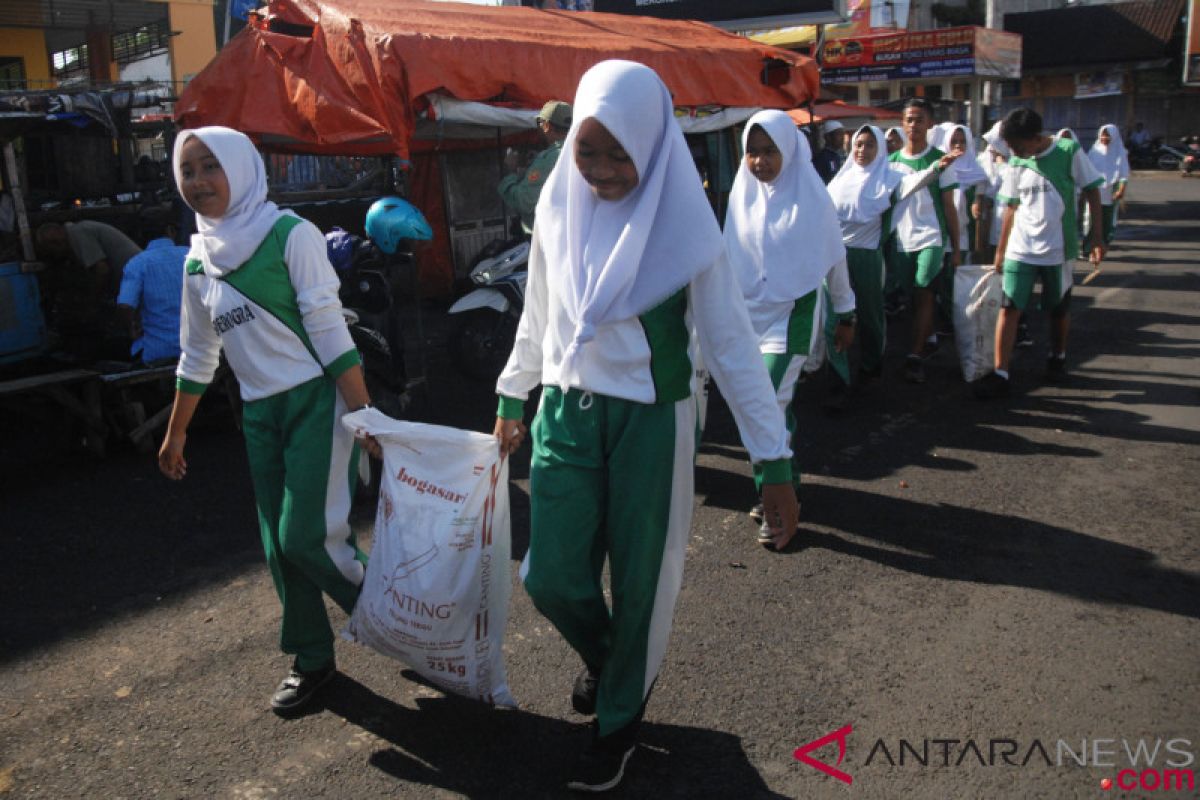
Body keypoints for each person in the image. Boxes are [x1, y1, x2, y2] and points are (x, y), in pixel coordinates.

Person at [492, 60, 798, 792]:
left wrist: (773, 461)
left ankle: (620, 719)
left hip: (654, 422)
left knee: (640, 584)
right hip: (566, 410)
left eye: (617, 151)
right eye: (587, 151)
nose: (600, 169)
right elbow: (538, 312)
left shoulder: (689, 231)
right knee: (551, 575)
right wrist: (513, 394)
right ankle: (614, 665)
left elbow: (729, 346)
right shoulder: (559, 209)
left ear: (653, 141)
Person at [158, 126, 378, 715]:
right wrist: (176, 430)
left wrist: (366, 416)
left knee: (305, 537)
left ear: (242, 168)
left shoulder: (291, 235)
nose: (199, 181)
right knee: (280, 549)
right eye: (189, 170)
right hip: (259, 414)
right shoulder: (197, 262)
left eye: (211, 166)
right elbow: (198, 355)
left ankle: (399, 620)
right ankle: (311, 659)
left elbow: (331, 331)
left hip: (317, 403)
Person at [725, 109, 855, 492]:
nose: (759, 162)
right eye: (752, 152)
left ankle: (773, 497)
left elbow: (834, 260)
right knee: (767, 406)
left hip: (791, 314)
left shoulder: (812, 200)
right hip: (747, 318)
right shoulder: (740, 198)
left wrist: (846, 313)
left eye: (769, 151)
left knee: (765, 403)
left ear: (788, 150)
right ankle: (787, 481)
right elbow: (727, 260)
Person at [972, 108, 1105, 399]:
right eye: (1010, 146)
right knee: (1009, 307)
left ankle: (1057, 358)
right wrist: (1001, 252)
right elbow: (1010, 207)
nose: (1014, 151)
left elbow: (1093, 190)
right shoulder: (1017, 161)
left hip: (1058, 251)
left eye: (1018, 146)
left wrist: (1096, 236)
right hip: (1021, 249)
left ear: (1036, 138)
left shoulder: (1068, 151)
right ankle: (1001, 372)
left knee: (1058, 309)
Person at [826, 125, 962, 391]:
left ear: (879, 150)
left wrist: (937, 168)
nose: (862, 150)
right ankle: (838, 377)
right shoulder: (840, 180)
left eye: (869, 145)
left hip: (867, 256)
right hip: (835, 256)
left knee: (869, 315)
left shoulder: (889, 179)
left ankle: (871, 365)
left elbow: (914, 182)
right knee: (833, 317)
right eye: (858, 144)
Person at [888, 97, 960, 384]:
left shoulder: (940, 160)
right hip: (901, 240)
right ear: (902, 124)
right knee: (910, 295)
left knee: (924, 291)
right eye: (909, 119)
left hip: (931, 237)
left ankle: (914, 356)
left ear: (930, 124)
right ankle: (926, 337)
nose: (914, 125)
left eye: (920, 119)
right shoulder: (891, 163)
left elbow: (949, 206)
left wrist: (954, 246)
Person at [116, 211, 189, 365]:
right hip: (199, 348)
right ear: (170, 231)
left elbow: (125, 306)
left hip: (158, 352)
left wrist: (132, 329)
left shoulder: (137, 264)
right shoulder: (192, 255)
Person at [498, 99, 572, 234]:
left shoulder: (551, 157)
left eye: (540, 124)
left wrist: (510, 171)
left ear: (546, 126)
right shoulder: (582, 151)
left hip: (551, 237)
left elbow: (524, 201)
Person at [35, 219, 142, 299]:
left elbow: (102, 270)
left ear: (55, 241)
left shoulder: (79, 233)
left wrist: (92, 298)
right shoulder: (79, 231)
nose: (55, 253)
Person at [1087, 124, 1129, 246]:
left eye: (1107, 135)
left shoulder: (1120, 153)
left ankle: (1103, 243)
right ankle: (1089, 246)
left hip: (1111, 193)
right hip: (1094, 191)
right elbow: (1087, 171)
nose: (1104, 138)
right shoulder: (1094, 151)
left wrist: (1121, 190)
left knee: (1107, 220)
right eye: (1103, 135)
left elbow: (1124, 175)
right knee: (1091, 220)